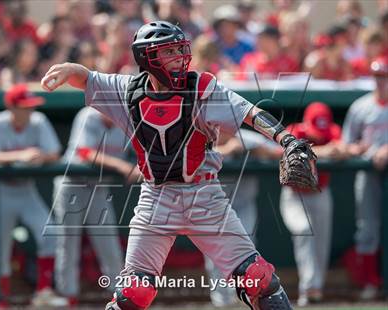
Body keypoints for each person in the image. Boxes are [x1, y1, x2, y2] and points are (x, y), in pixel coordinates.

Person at [41, 21, 317, 310]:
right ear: (147, 58)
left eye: (179, 49)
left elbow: (249, 112)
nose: (179, 57)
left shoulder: (201, 87)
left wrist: (287, 139)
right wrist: (71, 69)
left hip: (204, 195)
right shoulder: (128, 90)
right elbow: (87, 79)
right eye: (168, 51)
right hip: (156, 198)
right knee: (133, 294)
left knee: (258, 279)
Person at [0, 84, 67, 307]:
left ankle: (44, 292)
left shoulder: (38, 121)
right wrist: (21, 154)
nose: (29, 111)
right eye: (23, 107)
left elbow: (54, 153)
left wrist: (41, 157)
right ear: (10, 106)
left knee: (50, 233)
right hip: (1, 192)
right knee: (0, 246)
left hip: (26, 190)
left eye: (31, 107)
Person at [53, 107, 140, 306]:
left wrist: (135, 166)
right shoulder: (88, 116)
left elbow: (138, 150)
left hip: (98, 187)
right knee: (68, 242)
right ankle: (68, 296)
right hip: (72, 185)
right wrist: (121, 167)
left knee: (108, 242)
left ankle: (120, 295)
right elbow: (85, 152)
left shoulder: (128, 121)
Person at [280, 102, 351, 306]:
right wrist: (327, 150)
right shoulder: (295, 129)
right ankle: (308, 287)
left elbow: (343, 148)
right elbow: (288, 150)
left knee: (320, 243)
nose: (318, 135)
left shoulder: (333, 130)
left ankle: (314, 290)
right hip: (294, 195)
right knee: (303, 230)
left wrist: (327, 150)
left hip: (320, 192)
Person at [205, 129, 281, 307]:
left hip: (243, 203)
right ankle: (222, 302)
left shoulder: (247, 138)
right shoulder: (200, 137)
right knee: (214, 253)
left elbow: (277, 153)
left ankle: (243, 297)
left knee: (246, 250)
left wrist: (254, 150)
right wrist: (226, 150)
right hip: (211, 206)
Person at [342, 56, 388, 300]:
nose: (381, 82)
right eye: (378, 77)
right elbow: (347, 144)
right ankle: (370, 281)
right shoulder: (361, 107)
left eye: (385, 77)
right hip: (369, 172)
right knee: (367, 225)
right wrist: (356, 149)